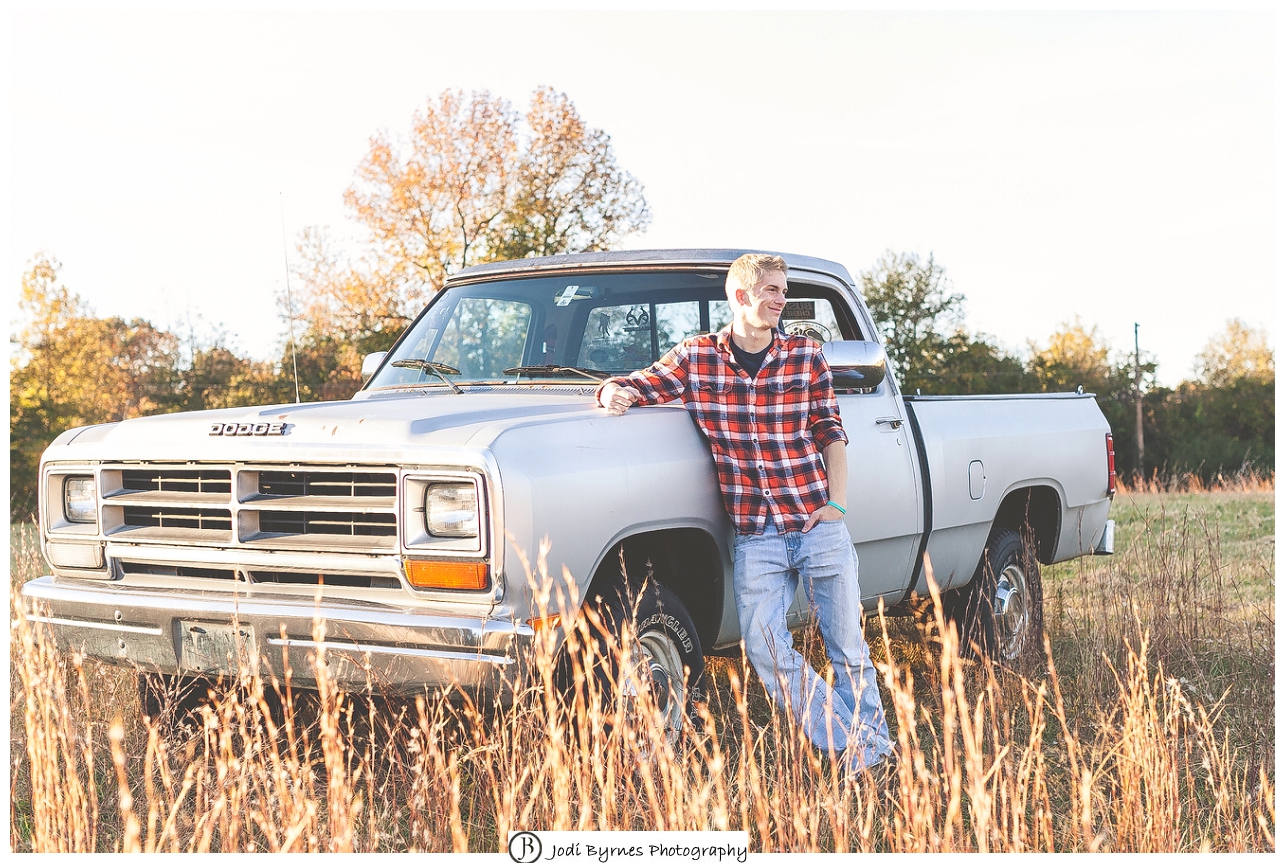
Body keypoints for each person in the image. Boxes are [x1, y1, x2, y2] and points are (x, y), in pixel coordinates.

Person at [595, 253, 894, 775]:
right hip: (757, 534)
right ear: (740, 296)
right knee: (764, 649)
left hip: (816, 524)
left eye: (783, 291)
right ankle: (863, 748)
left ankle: (867, 762)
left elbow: (831, 433)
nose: (781, 300)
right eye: (772, 290)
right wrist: (609, 390)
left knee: (847, 646)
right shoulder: (698, 356)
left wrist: (836, 507)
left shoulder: (806, 356)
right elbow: (645, 384)